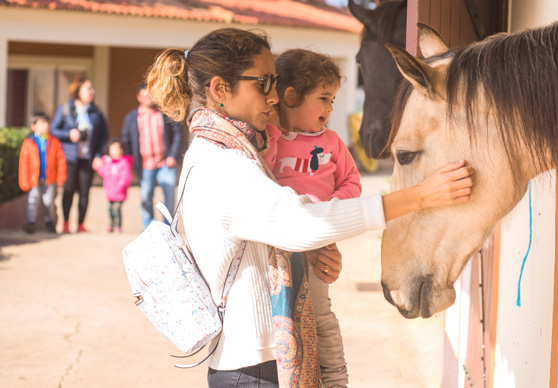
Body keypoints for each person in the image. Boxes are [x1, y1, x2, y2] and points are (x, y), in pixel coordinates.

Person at [146, 27, 474, 388]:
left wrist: (315, 256)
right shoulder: (222, 163)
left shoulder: (237, 150)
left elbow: (281, 233)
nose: (275, 97)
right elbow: (299, 222)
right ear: (220, 90)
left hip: (262, 363)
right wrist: (421, 196)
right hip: (255, 371)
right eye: (264, 83)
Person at [265, 48, 361, 388]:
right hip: (276, 247)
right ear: (290, 96)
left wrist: (330, 208)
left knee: (321, 315)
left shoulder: (332, 143)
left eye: (333, 99)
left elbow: (352, 181)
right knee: (279, 318)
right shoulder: (269, 140)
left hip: (318, 244)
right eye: (323, 98)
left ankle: (335, 378)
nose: (330, 109)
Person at [50, 76, 109, 233]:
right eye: (88, 88)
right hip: (69, 158)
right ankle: (66, 223)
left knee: (85, 192)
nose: (92, 92)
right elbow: (53, 130)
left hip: (88, 159)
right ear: (78, 90)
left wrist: (98, 155)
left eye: (92, 89)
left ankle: (81, 224)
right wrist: (69, 134)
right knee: (68, 191)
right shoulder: (65, 109)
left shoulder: (96, 112)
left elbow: (104, 136)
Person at [121, 83, 183, 229]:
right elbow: (126, 140)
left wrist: (173, 156)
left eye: (151, 95)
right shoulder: (131, 118)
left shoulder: (166, 113)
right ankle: (149, 229)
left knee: (169, 198)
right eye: (145, 95)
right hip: (145, 165)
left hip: (165, 163)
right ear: (139, 97)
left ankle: (169, 229)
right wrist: (130, 162)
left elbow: (178, 133)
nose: (149, 98)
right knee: (146, 198)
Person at [18, 112, 67, 234]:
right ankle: (31, 222)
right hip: (34, 178)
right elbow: (24, 162)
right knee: (33, 199)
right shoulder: (29, 142)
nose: (45, 126)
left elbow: (61, 160)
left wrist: (61, 177)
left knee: (48, 200)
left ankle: (50, 221)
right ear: (33, 126)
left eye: (46, 123)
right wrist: (24, 180)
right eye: (42, 123)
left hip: (49, 178)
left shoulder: (54, 141)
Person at [97, 139, 133, 233]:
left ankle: (118, 225)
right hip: (109, 192)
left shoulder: (124, 163)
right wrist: (99, 167)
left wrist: (121, 187)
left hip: (119, 193)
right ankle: (110, 225)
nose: (115, 151)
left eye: (117, 149)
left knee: (117, 209)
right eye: (112, 149)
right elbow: (103, 173)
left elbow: (126, 177)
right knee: (109, 209)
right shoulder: (108, 163)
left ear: (121, 150)